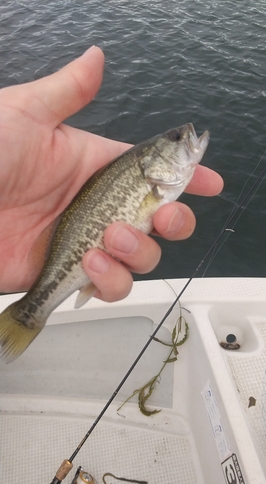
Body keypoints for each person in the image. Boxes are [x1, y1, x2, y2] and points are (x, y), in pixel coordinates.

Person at [0, 46, 223, 301]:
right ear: (153, 162)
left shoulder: (155, 182)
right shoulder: (152, 183)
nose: (183, 136)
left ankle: (38, 303)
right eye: (176, 138)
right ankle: (34, 308)